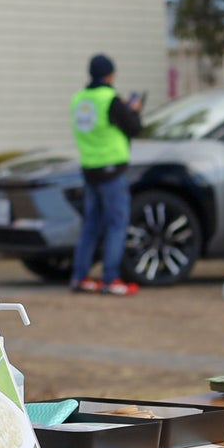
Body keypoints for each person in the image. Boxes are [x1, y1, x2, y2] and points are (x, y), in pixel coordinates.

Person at [71, 54, 144, 296]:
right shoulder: (111, 100)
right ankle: (111, 278)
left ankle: (80, 276)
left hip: (89, 170)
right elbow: (134, 127)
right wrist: (133, 110)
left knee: (91, 226)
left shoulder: (79, 100)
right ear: (110, 75)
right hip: (112, 171)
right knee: (116, 226)